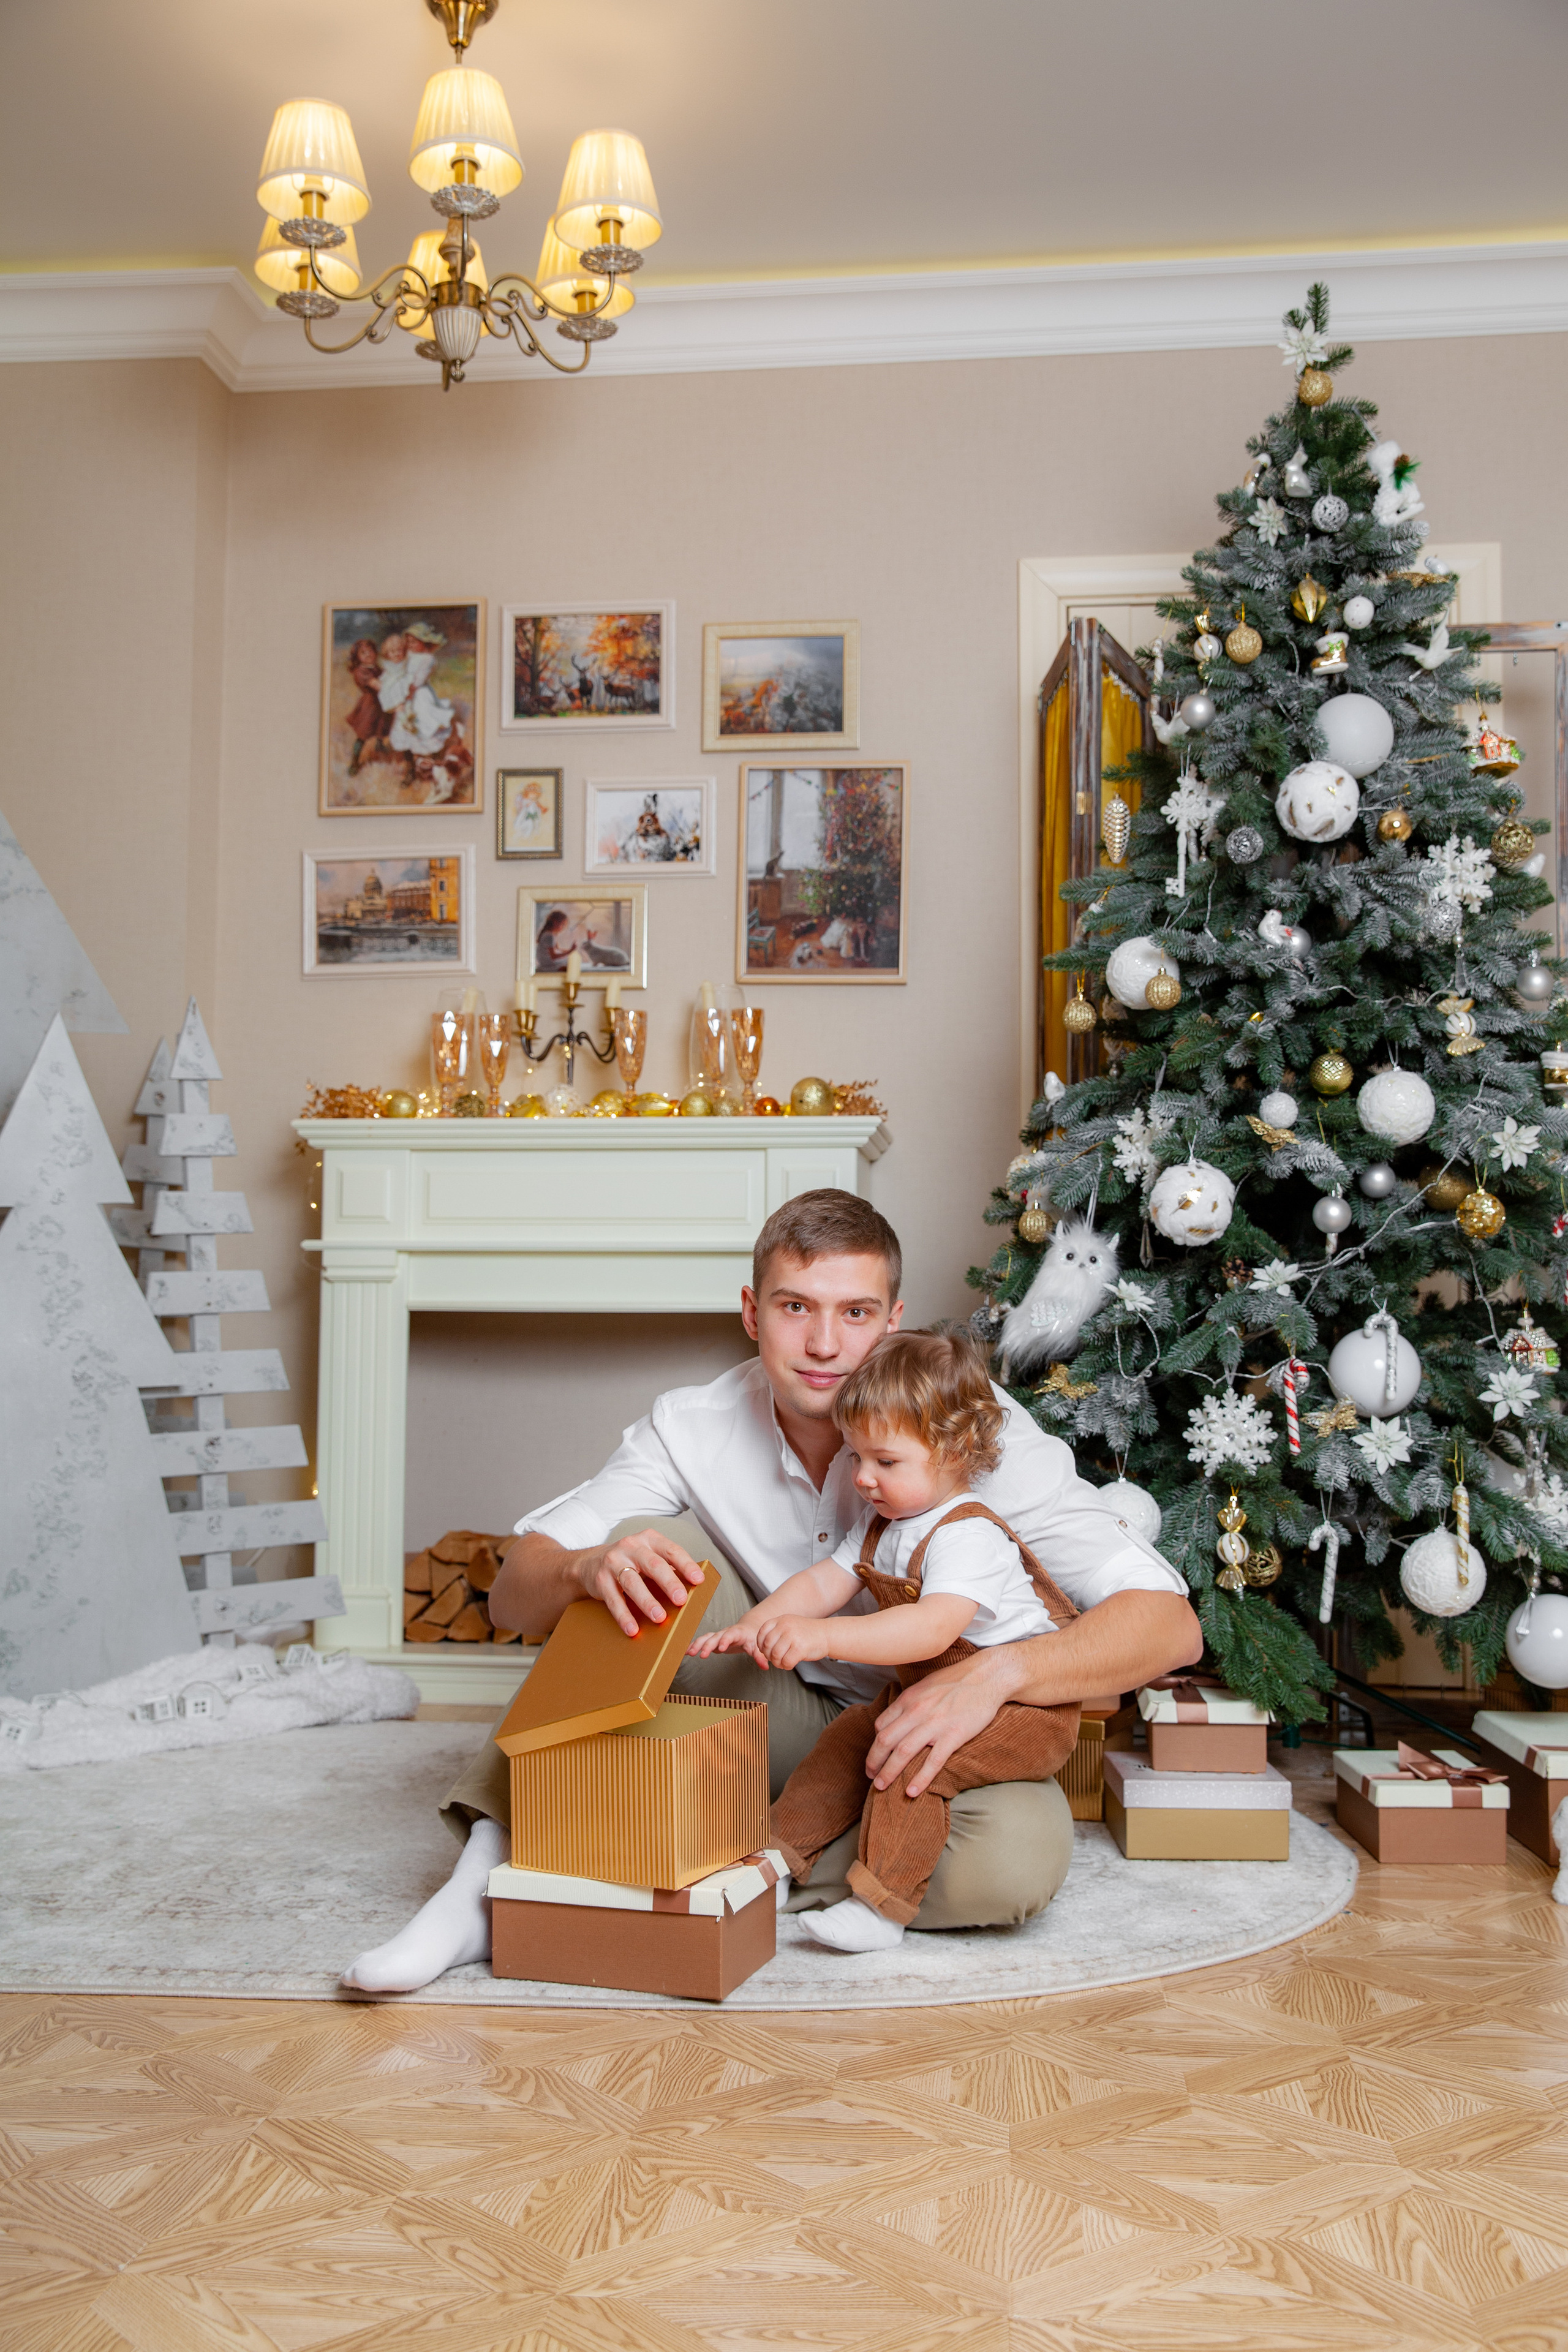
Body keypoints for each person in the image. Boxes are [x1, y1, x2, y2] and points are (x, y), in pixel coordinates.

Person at [341, 1191, 1201, 1994]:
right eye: (797, 1308)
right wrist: (583, 1571)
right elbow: (511, 1596)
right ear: (753, 1314)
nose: (826, 1346)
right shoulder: (691, 1425)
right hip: (772, 1699)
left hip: (938, 1733)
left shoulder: (979, 1433)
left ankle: (687, 1854)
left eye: (856, 1314)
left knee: (1012, 1868)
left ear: (892, 1321)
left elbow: (1169, 1630)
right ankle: (488, 1884)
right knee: (655, 1554)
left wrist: (995, 1676)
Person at [694, 1328, 1082, 1953]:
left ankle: (882, 1906)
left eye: (886, 1461)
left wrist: (821, 1638)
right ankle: (771, 1863)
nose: (865, 1478)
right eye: (856, 1458)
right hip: (934, 1689)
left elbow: (928, 1629)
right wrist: (758, 1623)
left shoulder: (967, 1536)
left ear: (954, 1451)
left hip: (1020, 1707)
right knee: (847, 1740)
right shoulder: (887, 1524)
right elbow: (825, 1581)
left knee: (914, 1764)